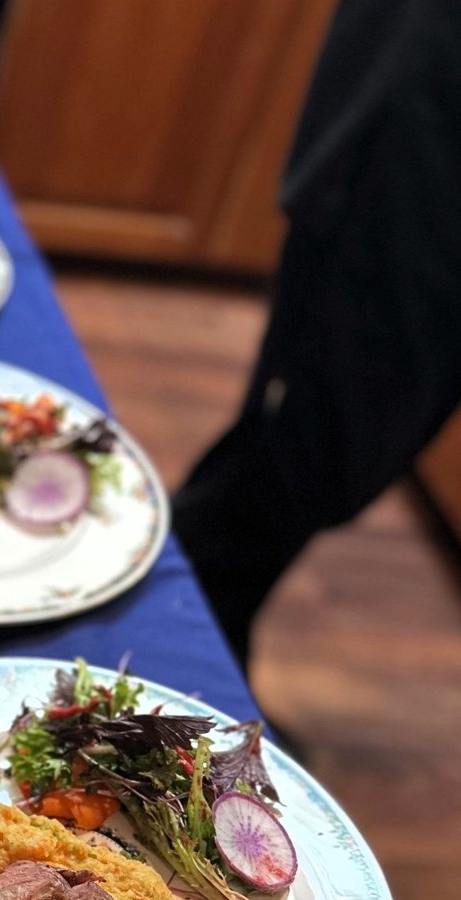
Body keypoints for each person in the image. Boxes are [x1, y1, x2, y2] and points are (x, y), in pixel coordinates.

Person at [171, 0, 461, 669]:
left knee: (360, 438)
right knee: (316, 434)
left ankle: (200, 631)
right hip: (423, 127)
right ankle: (178, 645)